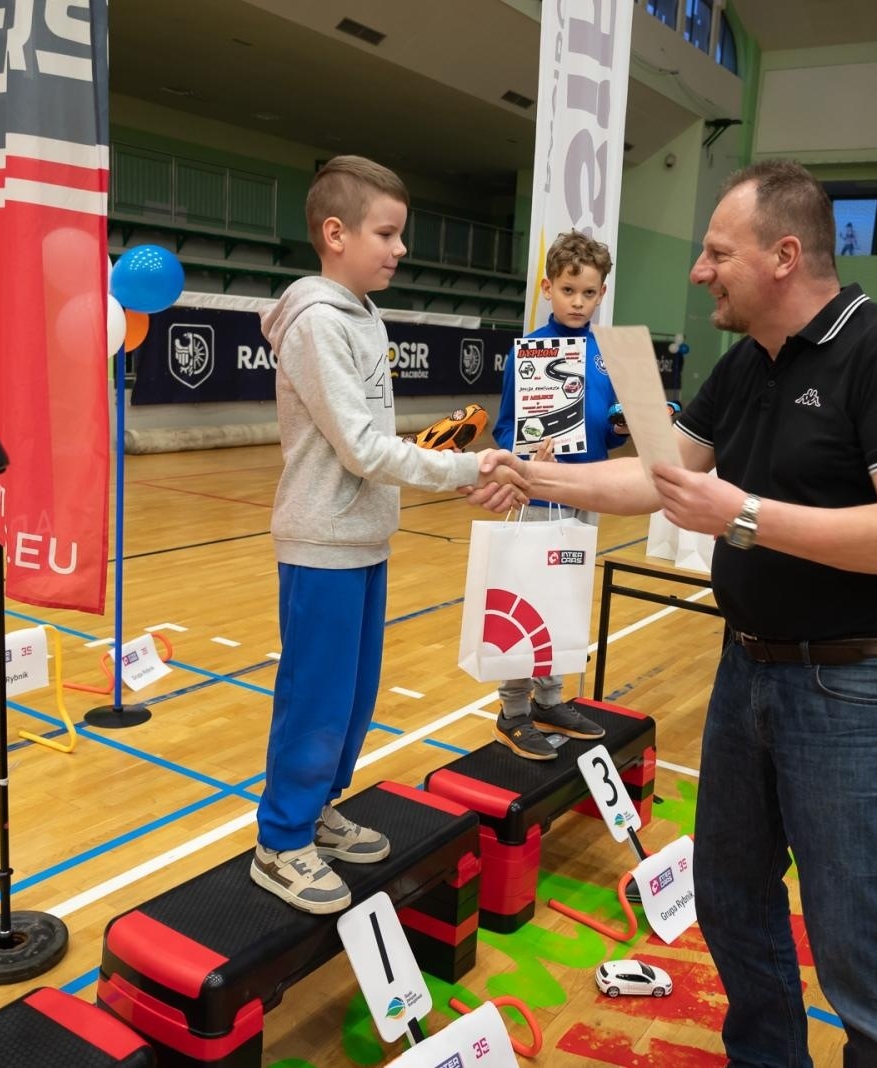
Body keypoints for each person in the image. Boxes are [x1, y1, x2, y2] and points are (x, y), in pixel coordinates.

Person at [483, 159, 877, 1066]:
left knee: (856, 940)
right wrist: (531, 473)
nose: (699, 270)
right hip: (748, 673)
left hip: (860, 689)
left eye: (715, 252)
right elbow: (664, 477)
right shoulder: (746, 366)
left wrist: (741, 515)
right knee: (733, 900)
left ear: (784, 256)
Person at [252, 155, 524, 914]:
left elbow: (374, 440)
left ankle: (318, 810)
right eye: (387, 233)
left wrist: (449, 464)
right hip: (321, 542)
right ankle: (280, 842)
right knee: (316, 698)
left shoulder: (363, 314)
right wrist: (464, 469)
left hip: (366, 536)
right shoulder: (313, 323)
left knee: (353, 696)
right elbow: (363, 449)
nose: (400, 250)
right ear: (334, 234)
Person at [488, 230, 620, 760]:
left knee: (565, 601)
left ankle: (550, 698)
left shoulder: (608, 355)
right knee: (530, 602)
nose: (578, 302)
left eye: (589, 293)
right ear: (548, 288)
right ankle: (513, 710)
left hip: (589, 494)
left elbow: (608, 430)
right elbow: (503, 429)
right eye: (569, 290)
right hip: (539, 497)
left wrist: (624, 428)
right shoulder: (528, 354)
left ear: (602, 294)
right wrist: (522, 456)